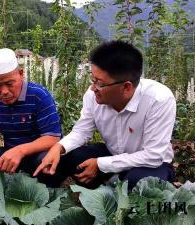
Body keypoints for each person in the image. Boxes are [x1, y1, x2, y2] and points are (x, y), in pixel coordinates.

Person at [34, 40, 176, 190]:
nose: (92, 88)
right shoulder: (93, 96)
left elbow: (153, 156)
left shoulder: (158, 99)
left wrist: (100, 164)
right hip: (111, 153)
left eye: (100, 83)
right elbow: (82, 131)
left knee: (141, 184)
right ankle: (51, 200)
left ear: (126, 87)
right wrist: (59, 147)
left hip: (150, 164)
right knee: (55, 159)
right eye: (92, 80)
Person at [0, 48, 65, 187]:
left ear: (21, 74)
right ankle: (6, 184)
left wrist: (20, 151)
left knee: (46, 161)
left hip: (35, 154)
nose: (4, 91)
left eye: (9, 84)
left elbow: (52, 138)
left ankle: (40, 189)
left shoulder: (39, 95)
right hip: (11, 155)